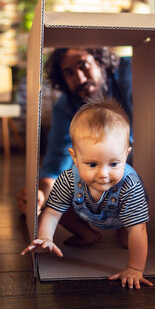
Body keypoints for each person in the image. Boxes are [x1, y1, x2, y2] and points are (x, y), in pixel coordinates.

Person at [20, 99, 151, 289]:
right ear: (75, 157)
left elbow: (138, 229)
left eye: (114, 163)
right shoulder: (69, 179)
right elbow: (52, 212)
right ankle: (88, 234)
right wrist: (46, 237)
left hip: (121, 215)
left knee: (128, 239)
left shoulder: (130, 185)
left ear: (126, 154)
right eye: (92, 164)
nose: (103, 174)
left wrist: (134, 268)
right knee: (58, 206)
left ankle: (120, 232)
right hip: (87, 210)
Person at [16, 47, 133, 215]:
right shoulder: (66, 107)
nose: (79, 77)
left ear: (99, 62)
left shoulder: (131, 74)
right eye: (69, 73)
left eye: (83, 65)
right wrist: (39, 196)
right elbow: (56, 165)